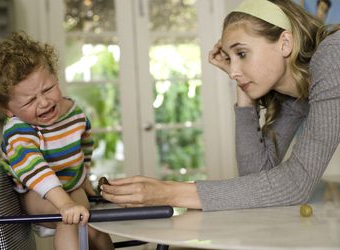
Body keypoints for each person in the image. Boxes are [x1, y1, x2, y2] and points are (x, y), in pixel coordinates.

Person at [100, 0, 340, 212]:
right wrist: (245, 94)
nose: (233, 72)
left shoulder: (332, 56)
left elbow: (296, 184)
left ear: (285, 43)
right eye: (229, 58)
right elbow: (257, 178)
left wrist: (168, 193)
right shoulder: (294, 96)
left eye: (242, 54)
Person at [0, 32, 114, 250]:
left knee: (96, 230)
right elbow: (34, 170)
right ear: (8, 110)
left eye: (48, 89)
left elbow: (84, 145)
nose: (44, 102)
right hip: (38, 193)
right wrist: (64, 203)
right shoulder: (19, 131)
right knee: (67, 221)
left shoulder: (74, 113)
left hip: (71, 184)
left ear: (55, 78)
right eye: (30, 100)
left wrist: (84, 177)